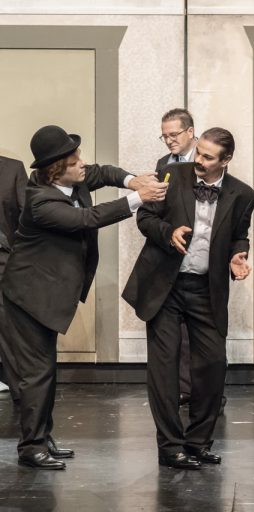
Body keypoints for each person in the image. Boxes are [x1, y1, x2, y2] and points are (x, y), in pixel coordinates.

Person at [0, 125, 166, 469]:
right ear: (56, 168)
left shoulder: (72, 179)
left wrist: (132, 180)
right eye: (75, 160)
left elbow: (104, 172)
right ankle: (31, 447)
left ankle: (42, 437)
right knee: (36, 373)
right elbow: (87, 218)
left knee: (45, 370)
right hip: (28, 297)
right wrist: (139, 198)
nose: (83, 163)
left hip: (47, 295)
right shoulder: (41, 200)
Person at [123, 127, 254, 470]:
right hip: (165, 286)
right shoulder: (172, 174)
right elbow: (145, 217)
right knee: (164, 370)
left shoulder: (243, 194)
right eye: (199, 152)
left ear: (226, 160)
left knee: (212, 365)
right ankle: (170, 447)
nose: (199, 160)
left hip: (206, 289)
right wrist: (168, 233)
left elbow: (239, 235)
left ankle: (198, 443)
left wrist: (238, 255)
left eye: (208, 157)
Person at [156, 108, 200, 409]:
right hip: (173, 254)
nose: (170, 140)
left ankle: (210, 393)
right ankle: (185, 389)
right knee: (179, 330)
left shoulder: (206, 159)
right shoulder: (164, 164)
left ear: (190, 132)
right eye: (165, 136)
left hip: (203, 252)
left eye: (174, 135)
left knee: (205, 332)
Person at [0, 155, 27, 399]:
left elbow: (26, 218)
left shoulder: (12, 168)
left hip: (3, 259)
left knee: (8, 327)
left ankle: (22, 393)